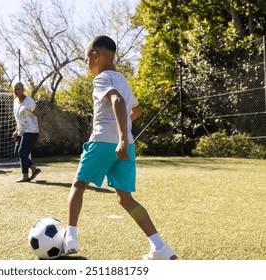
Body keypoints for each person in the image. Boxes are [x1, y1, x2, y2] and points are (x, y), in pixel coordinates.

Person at [63, 36, 177, 260]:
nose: (88, 67)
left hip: (105, 141)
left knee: (78, 185)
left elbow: (117, 102)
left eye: (87, 61)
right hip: (127, 146)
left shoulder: (102, 79)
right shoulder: (121, 79)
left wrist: (121, 137)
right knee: (125, 199)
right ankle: (160, 248)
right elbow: (137, 110)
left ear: (95, 56)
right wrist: (125, 134)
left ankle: (70, 238)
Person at [12, 82, 43, 182]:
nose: (17, 91)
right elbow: (18, 119)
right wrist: (16, 131)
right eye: (15, 89)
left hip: (31, 130)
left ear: (23, 89)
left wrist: (40, 130)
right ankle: (34, 169)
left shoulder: (29, 101)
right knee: (17, 152)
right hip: (21, 131)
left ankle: (25, 176)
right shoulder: (15, 102)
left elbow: (38, 115)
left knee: (22, 152)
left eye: (18, 89)